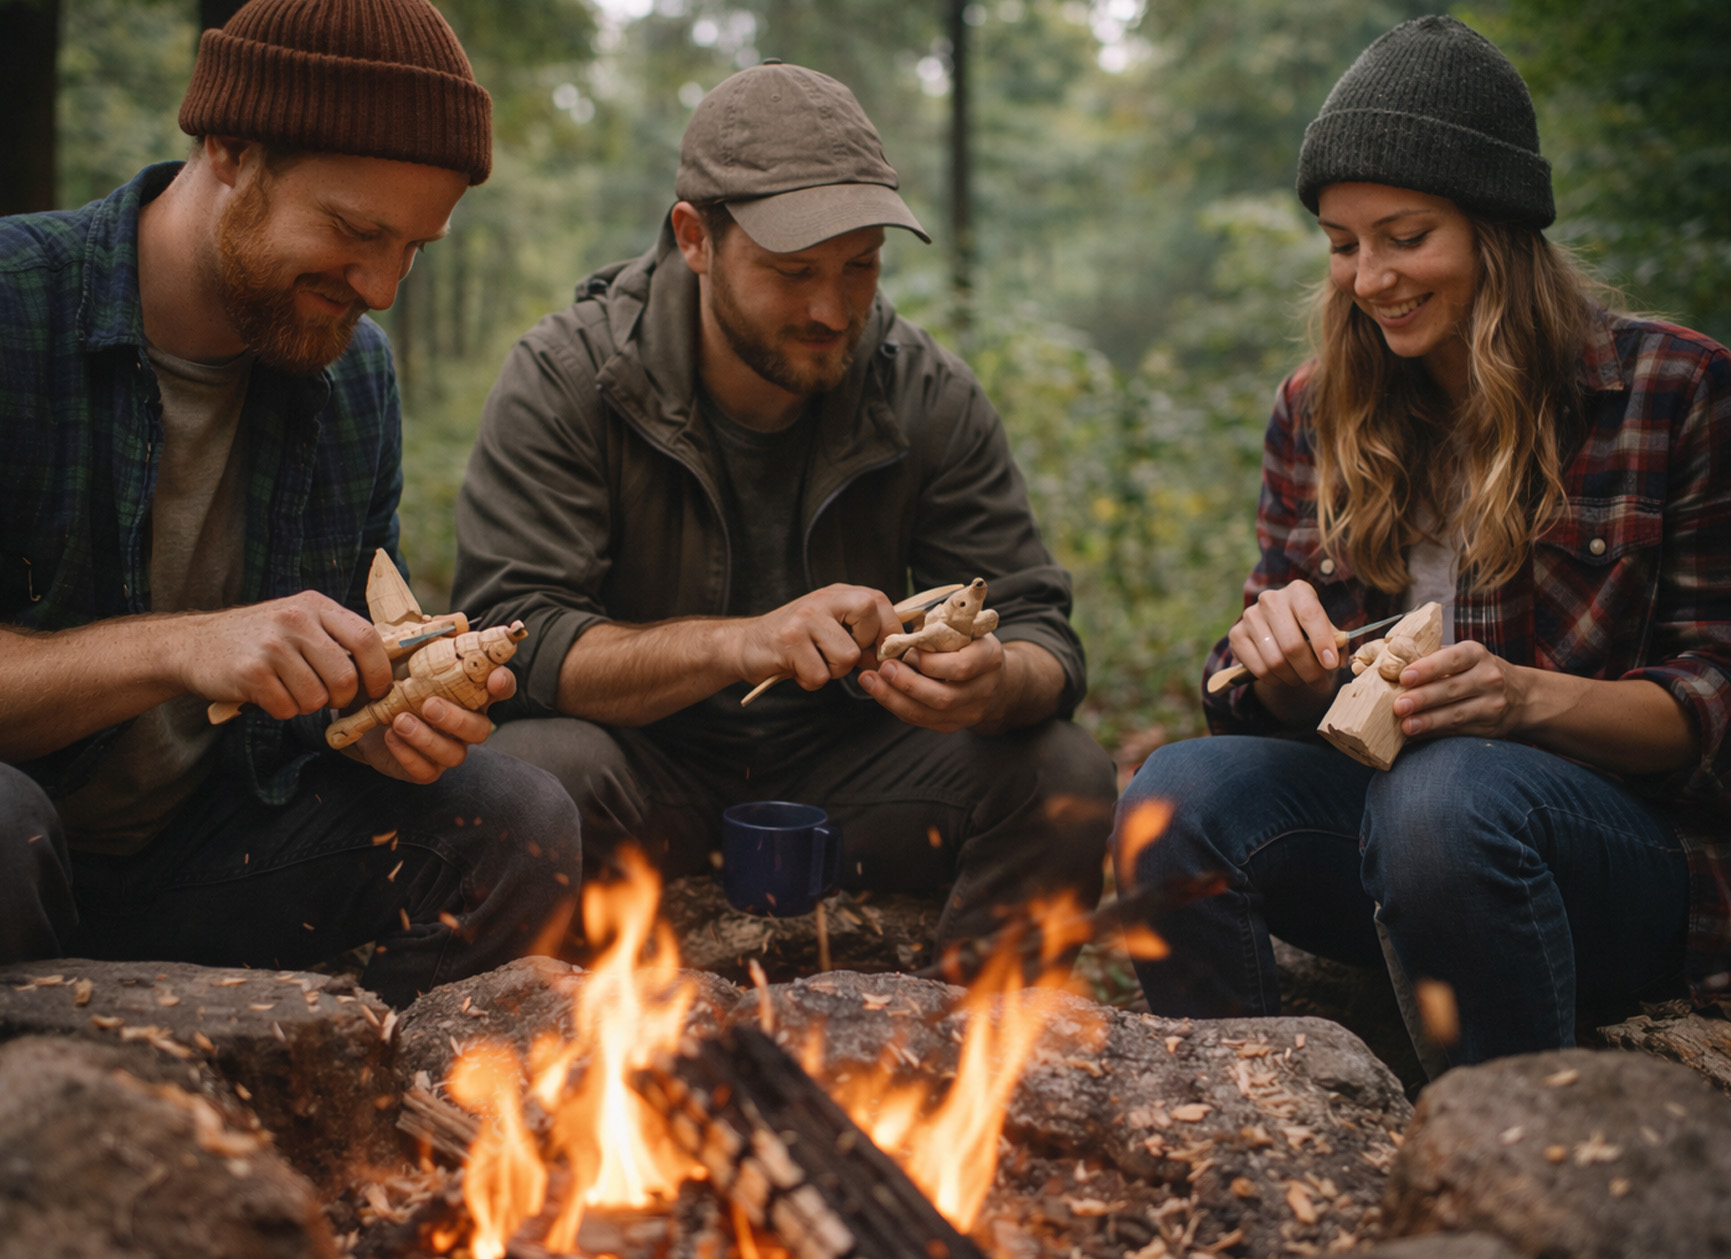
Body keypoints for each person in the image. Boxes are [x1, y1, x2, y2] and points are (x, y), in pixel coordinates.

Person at [1112, 15, 1731, 1068]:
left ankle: (1494, 1161)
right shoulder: (1316, 409)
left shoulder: (1674, 390)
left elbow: (1715, 698)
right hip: (1390, 838)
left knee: (1444, 793)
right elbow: (1255, 693)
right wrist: (1279, 669)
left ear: (1498, 230)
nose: (1371, 277)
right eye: (1344, 244)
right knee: (1170, 798)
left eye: (1406, 237)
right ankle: (1256, 1131)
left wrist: (1527, 698)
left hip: (1620, 861)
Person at [452, 62, 1115, 952]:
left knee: (1063, 771)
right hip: (637, 763)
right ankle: (570, 1050)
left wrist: (996, 682)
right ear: (694, 238)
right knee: (526, 774)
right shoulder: (569, 378)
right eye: (792, 270)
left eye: (861, 267)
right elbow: (513, 632)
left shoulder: (924, 393)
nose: (831, 308)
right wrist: (740, 642)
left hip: (854, 771)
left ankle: (978, 1056)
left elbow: (1042, 633)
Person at [0, 0, 583, 1007]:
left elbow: (317, 698)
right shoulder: (16, 304)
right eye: (356, 231)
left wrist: (381, 715)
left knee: (516, 815)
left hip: (209, 864)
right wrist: (182, 646)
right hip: (20, 851)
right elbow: (210, 650)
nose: (383, 287)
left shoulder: (353, 375)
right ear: (228, 146)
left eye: (414, 248)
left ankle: (376, 1125)